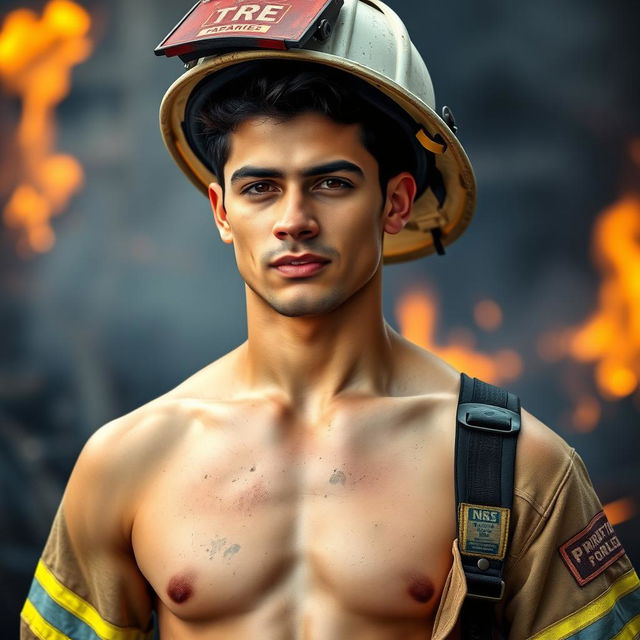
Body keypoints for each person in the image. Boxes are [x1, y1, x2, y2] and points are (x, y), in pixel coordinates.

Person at [21, 1, 639, 638]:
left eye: (332, 183)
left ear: (395, 203)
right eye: (260, 187)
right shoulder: (129, 463)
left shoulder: (517, 469)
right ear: (222, 210)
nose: (294, 220)